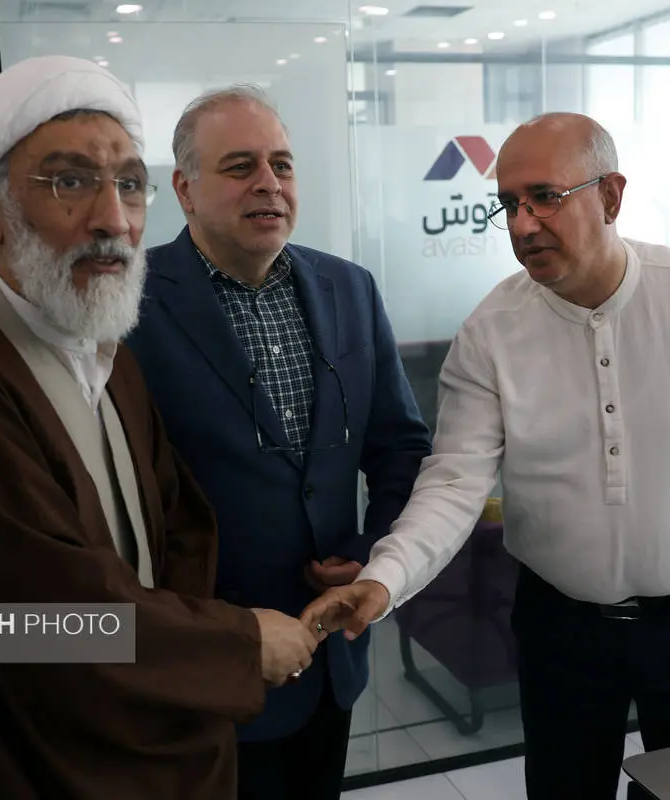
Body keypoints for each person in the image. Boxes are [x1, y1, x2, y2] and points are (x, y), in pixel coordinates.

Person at [0, 55, 323, 800]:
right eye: (70, 182)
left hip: (124, 718)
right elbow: (45, 618)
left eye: (129, 184)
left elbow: (176, 529)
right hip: (14, 750)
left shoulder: (102, 349)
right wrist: (238, 645)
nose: (114, 220)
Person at [302, 113, 670, 800]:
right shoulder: (491, 333)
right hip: (561, 628)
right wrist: (383, 579)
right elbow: (454, 483)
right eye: (509, 204)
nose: (522, 225)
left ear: (610, 196)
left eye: (545, 197)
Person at [125, 85, 432, 800]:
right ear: (185, 190)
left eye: (282, 165)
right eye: (240, 166)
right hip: (208, 662)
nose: (268, 182)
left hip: (330, 651)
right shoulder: (131, 303)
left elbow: (400, 445)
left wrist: (373, 550)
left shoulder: (349, 288)